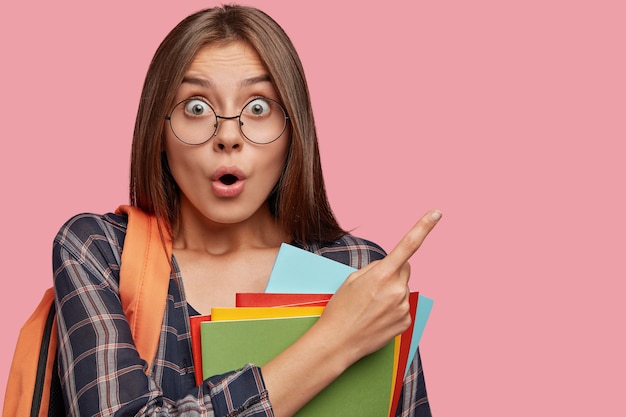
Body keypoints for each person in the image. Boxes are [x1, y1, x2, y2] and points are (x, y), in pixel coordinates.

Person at [52, 5, 441, 417]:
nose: (228, 136)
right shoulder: (99, 250)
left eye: (258, 107)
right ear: (159, 131)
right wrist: (335, 341)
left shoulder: (359, 271)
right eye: (196, 107)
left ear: (294, 129)